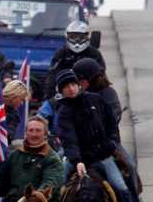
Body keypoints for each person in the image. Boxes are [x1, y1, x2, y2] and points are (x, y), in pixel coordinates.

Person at [55, 70, 135, 202]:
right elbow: (69, 139)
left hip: (103, 156)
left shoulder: (96, 99)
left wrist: (112, 143)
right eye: (66, 87)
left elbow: (111, 124)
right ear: (61, 91)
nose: (71, 89)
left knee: (121, 188)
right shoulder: (63, 112)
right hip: (77, 159)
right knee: (56, 188)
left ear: (78, 85)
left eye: (73, 84)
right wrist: (77, 161)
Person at [0, 116, 65, 201]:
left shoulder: (52, 159)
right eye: (31, 130)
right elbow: (2, 182)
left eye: (38, 131)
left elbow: (51, 183)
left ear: (45, 134)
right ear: (26, 133)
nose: (34, 134)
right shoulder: (14, 155)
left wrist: (37, 196)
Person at [44, 21, 105, 99]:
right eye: (73, 36)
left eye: (81, 37)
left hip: (90, 92)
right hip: (65, 92)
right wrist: (48, 96)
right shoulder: (61, 53)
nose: (77, 40)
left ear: (87, 37)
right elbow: (52, 74)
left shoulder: (94, 53)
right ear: (67, 36)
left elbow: (101, 73)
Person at [2, 80, 29, 146]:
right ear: (14, 96)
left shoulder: (14, 115)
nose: (22, 103)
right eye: (21, 99)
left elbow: (8, 137)